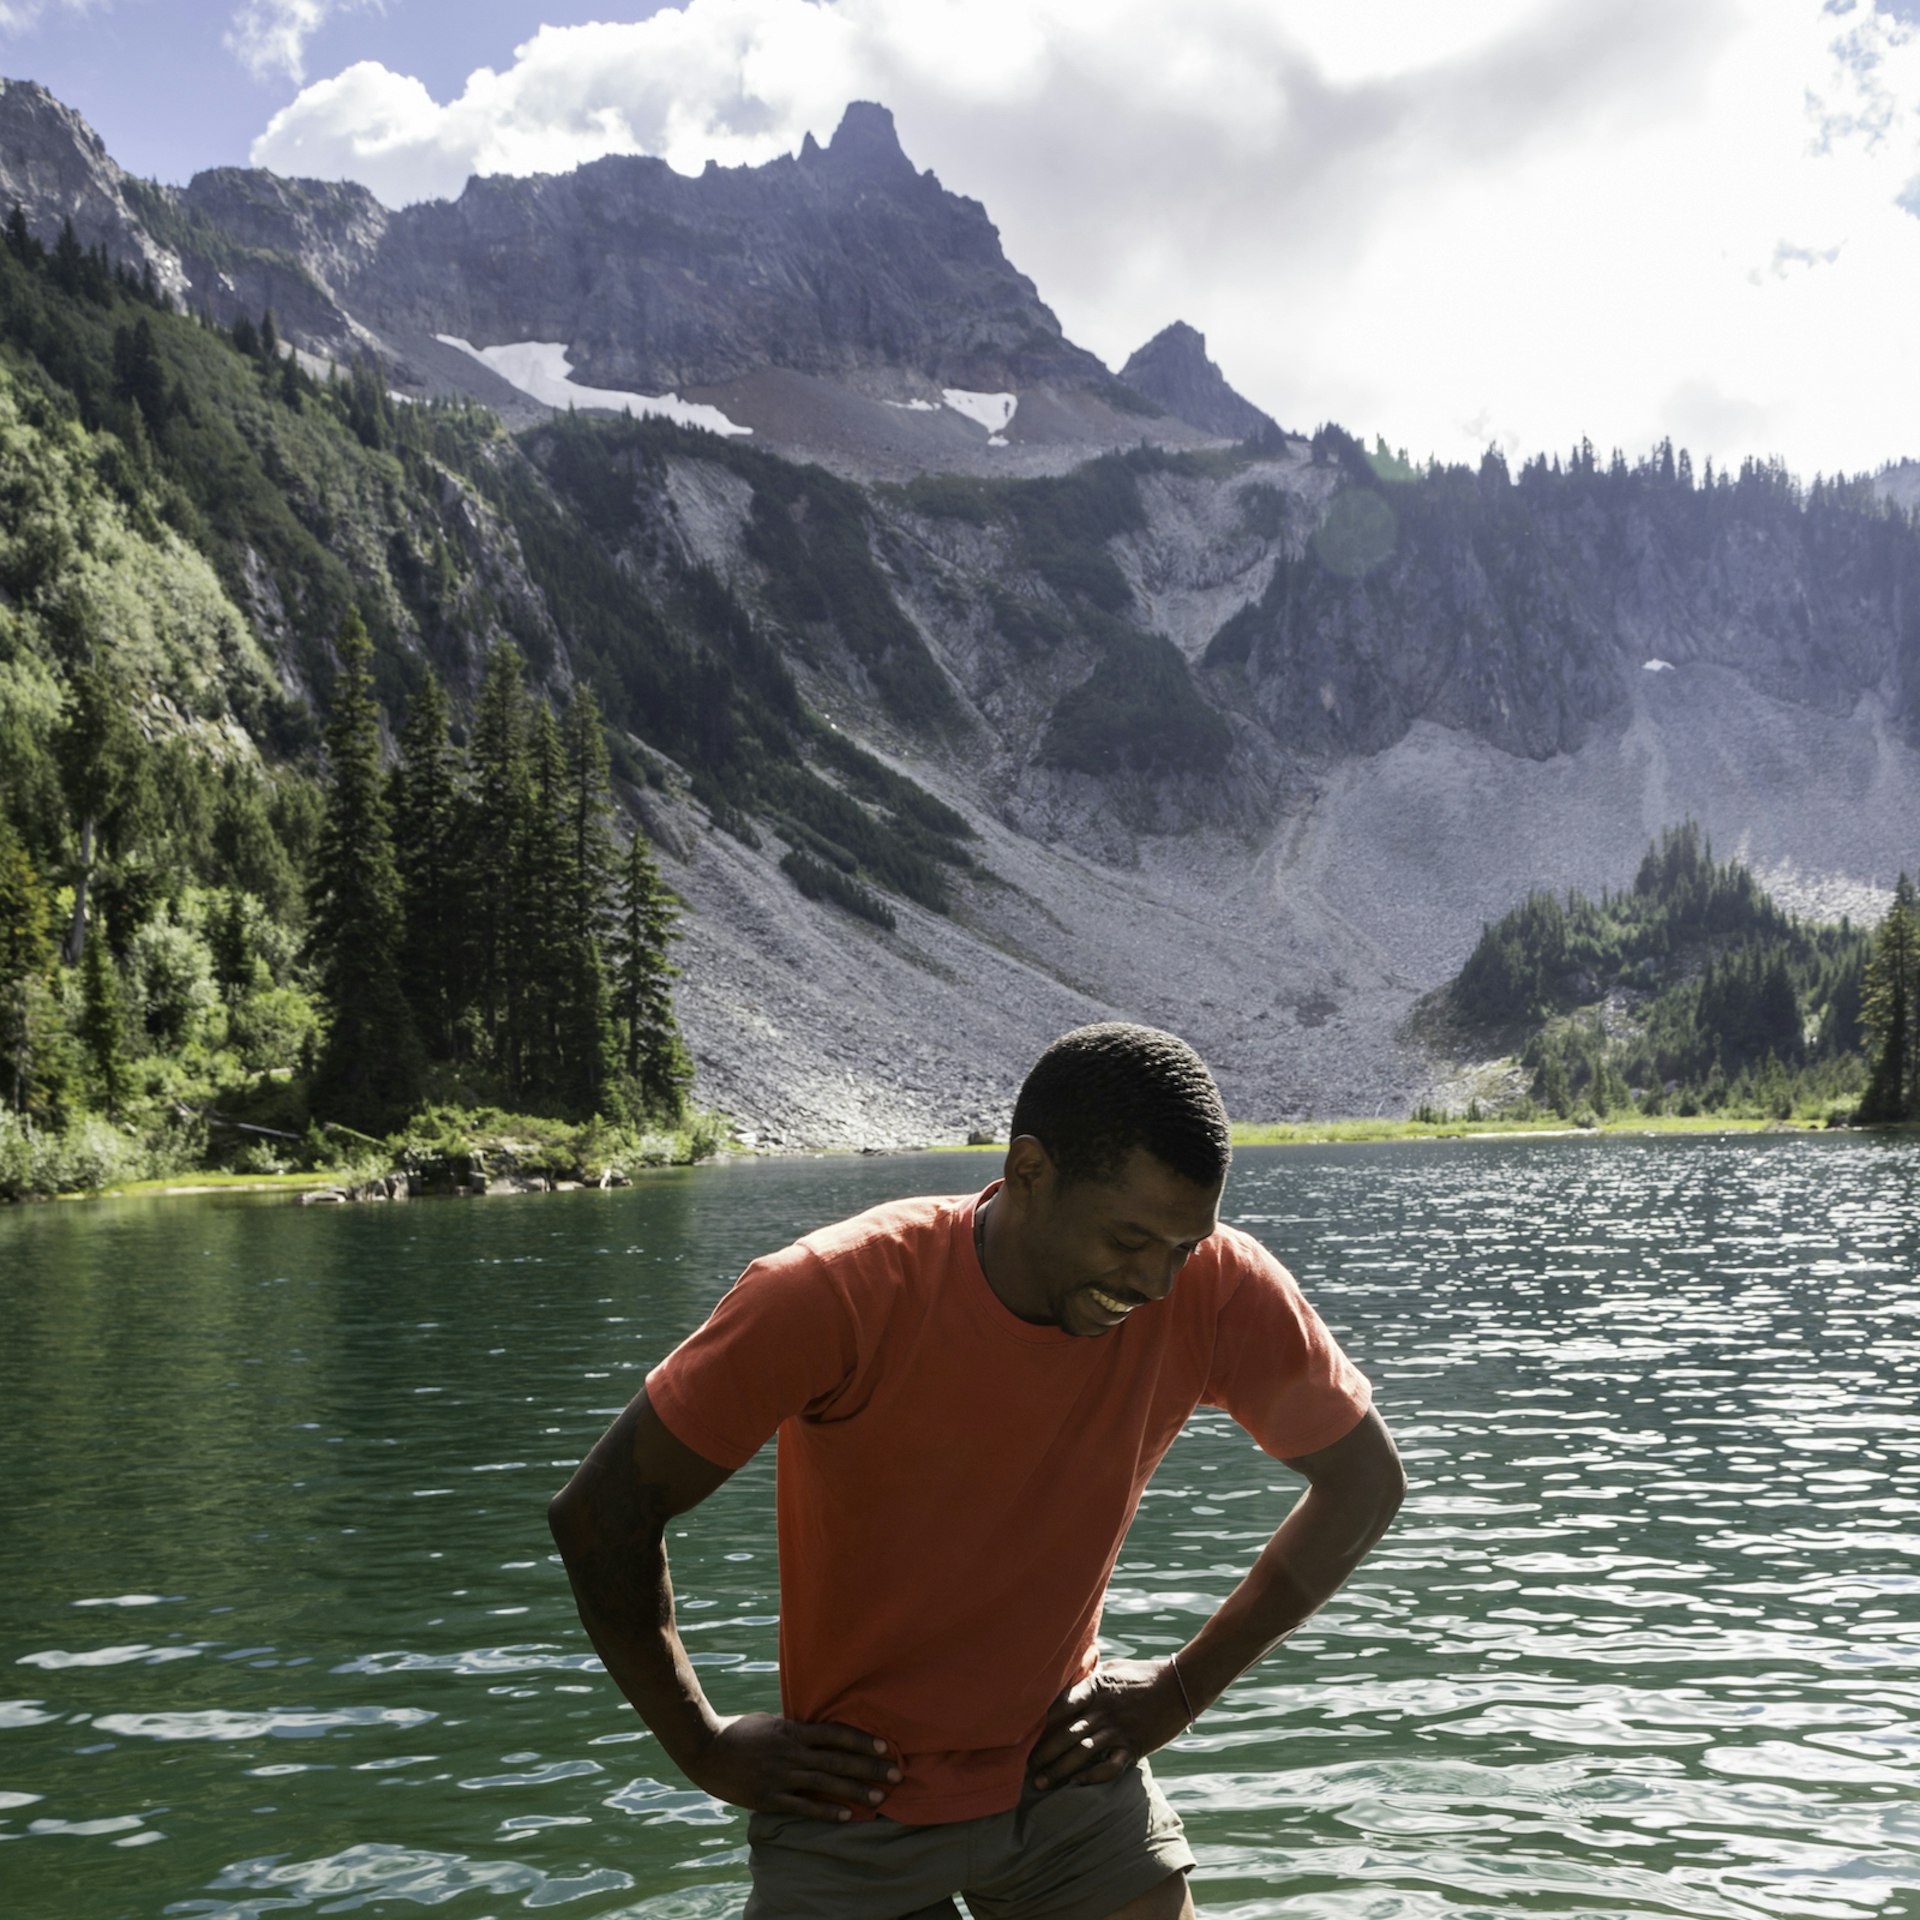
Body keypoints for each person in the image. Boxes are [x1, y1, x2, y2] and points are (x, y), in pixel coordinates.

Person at [549, 1023, 1405, 1920]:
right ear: (1030, 1172)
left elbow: (1363, 1484)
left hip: (1066, 1771)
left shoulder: (1220, 1289)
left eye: (1185, 1245)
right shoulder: (832, 1292)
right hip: (849, 1797)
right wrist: (704, 1747)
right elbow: (603, 1513)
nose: (1158, 1283)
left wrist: (1183, 1688)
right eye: (1129, 1241)